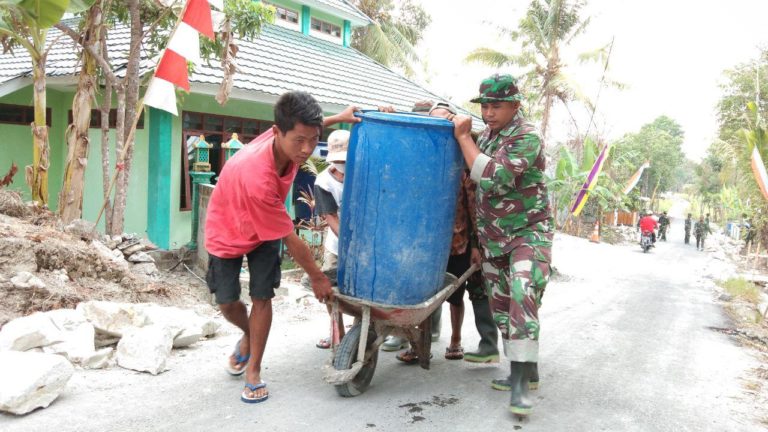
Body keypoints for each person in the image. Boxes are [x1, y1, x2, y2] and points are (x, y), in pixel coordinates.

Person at [204, 91, 358, 404]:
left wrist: (339, 117)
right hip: (227, 229)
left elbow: (305, 129)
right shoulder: (257, 175)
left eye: (313, 140)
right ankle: (249, 334)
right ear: (277, 132)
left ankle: (254, 371)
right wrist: (317, 276)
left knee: (262, 296)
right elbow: (291, 237)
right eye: (299, 141)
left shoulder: (288, 133)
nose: (306, 150)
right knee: (227, 302)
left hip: (262, 233)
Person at [450, 73, 553, 416]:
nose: (489, 112)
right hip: (493, 240)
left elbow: (493, 178)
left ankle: (520, 385)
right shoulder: (490, 136)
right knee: (503, 309)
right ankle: (527, 370)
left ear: (515, 105)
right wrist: (478, 242)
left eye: (496, 106)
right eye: (484, 106)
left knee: (523, 297)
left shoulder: (526, 135)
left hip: (528, 234)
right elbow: (477, 197)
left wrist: (464, 137)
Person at [393, 102, 500, 365]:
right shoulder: (425, 161)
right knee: (425, 298)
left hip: (458, 243)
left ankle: (456, 341)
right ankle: (420, 345)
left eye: (446, 122)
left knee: (456, 296)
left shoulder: (465, 164)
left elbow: (476, 210)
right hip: (427, 245)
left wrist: (476, 244)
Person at [310, 129, 350, 349]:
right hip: (336, 246)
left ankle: (361, 330)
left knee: (361, 294)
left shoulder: (362, 174)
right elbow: (330, 217)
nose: (343, 164)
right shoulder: (323, 181)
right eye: (338, 160)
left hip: (366, 247)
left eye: (346, 159)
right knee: (330, 292)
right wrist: (348, 243)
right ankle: (338, 331)